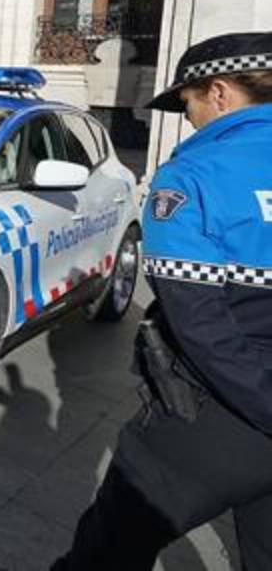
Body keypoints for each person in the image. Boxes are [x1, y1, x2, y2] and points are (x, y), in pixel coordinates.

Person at [51, 32, 272, 570]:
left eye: (189, 102)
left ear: (219, 93)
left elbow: (199, 322)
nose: (189, 118)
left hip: (221, 416)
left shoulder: (193, 175)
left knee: (107, 549)